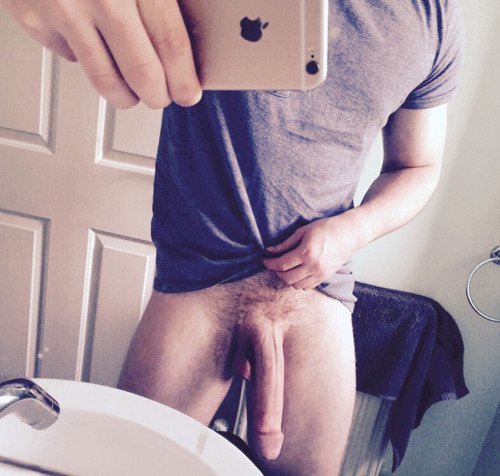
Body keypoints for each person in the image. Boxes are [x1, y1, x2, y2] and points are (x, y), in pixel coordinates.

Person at [1, 1, 465, 474]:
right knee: (129, 469)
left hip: (318, 296)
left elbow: (418, 167)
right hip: (196, 291)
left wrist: (352, 231)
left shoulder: (434, 16)